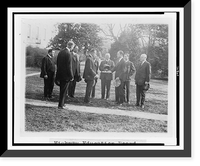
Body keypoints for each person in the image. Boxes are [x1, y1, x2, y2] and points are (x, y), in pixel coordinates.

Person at [55, 41, 74, 109]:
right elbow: (69, 66)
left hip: (60, 74)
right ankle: (61, 105)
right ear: (71, 46)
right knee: (64, 91)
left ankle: (62, 103)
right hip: (66, 76)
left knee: (62, 90)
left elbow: (57, 63)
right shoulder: (68, 53)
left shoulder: (61, 52)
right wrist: (71, 76)